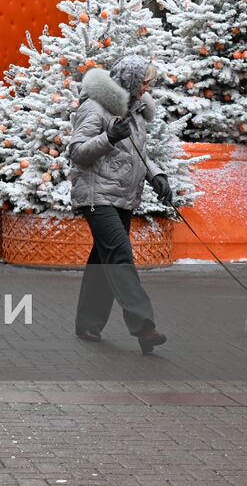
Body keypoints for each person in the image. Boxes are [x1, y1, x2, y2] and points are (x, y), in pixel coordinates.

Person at [67, 54, 174, 354]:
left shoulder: (136, 111)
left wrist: (157, 176)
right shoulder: (95, 107)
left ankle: (87, 323)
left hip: (123, 197)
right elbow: (77, 151)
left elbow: (138, 153)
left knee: (104, 259)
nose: (148, 87)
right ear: (128, 80)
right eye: (144, 81)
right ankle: (144, 326)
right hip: (95, 195)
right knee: (119, 255)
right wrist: (109, 137)